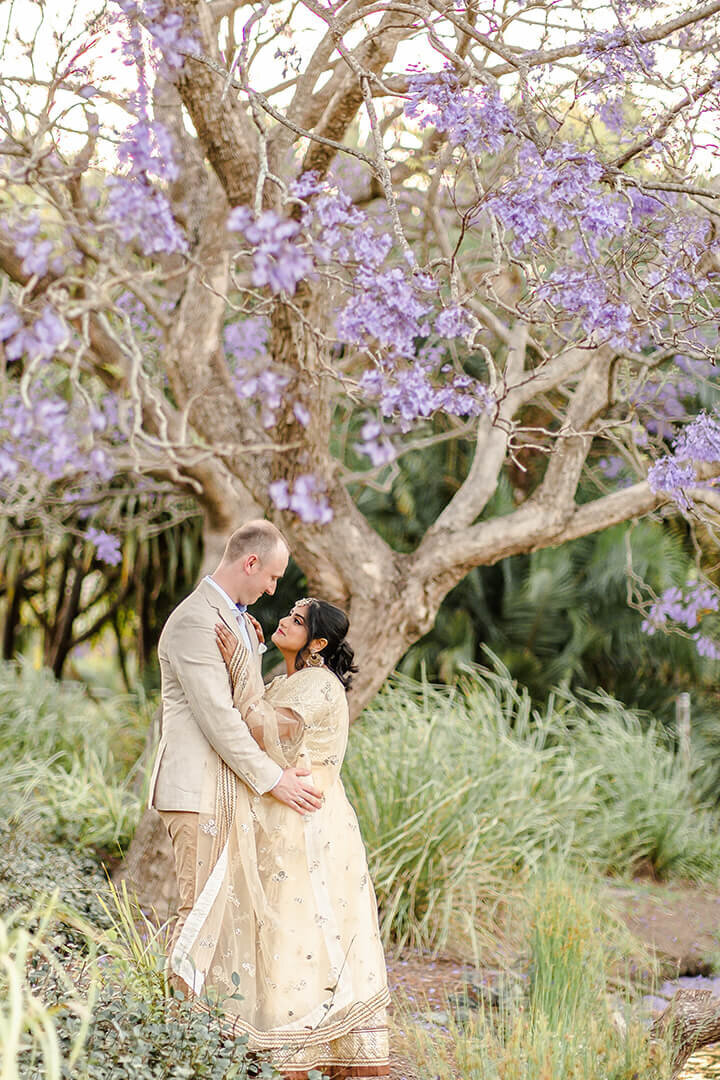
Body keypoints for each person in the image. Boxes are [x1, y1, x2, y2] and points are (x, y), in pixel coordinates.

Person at [168, 598, 390, 1080]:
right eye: (287, 613)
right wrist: (250, 655)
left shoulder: (317, 683)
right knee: (274, 931)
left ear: (318, 643)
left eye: (296, 620)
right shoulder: (286, 680)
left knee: (299, 931)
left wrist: (241, 662)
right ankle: (268, 1043)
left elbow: (265, 730)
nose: (284, 620)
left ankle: (301, 1050)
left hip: (306, 825)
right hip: (276, 817)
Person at [148, 521, 323, 957]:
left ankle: (199, 1021)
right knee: (199, 912)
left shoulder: (237, 622)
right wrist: (274, 779)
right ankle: (177, 1021)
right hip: (196, 789)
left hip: (226, 787)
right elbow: (219, 719)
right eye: (272, 576)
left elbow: (247, 703)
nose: (272, 589)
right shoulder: (195, 621)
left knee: (224, 916)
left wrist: (254, 651)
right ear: (250, 562)